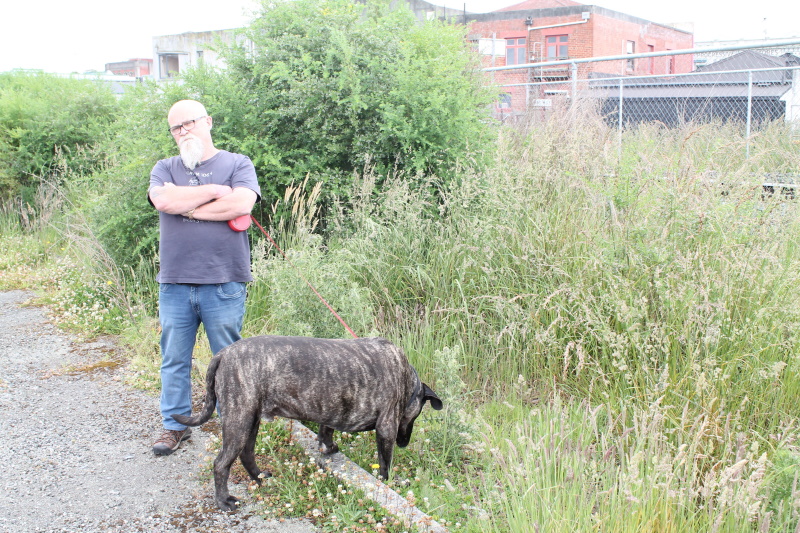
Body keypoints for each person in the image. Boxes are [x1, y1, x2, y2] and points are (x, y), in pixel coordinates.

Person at [148, 99, 261, 456]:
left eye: (190, 123)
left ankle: (235, 431)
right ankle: (174, 427)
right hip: (175, 283)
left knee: (228, 362)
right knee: (174, 359)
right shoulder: (165, 167)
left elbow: (241, 204)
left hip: (224, 282)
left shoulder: (237, 163)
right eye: (176, 128)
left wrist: (188, 206)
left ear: (208, 121)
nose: (184, 132)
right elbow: (164, 201)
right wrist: (214, 193)